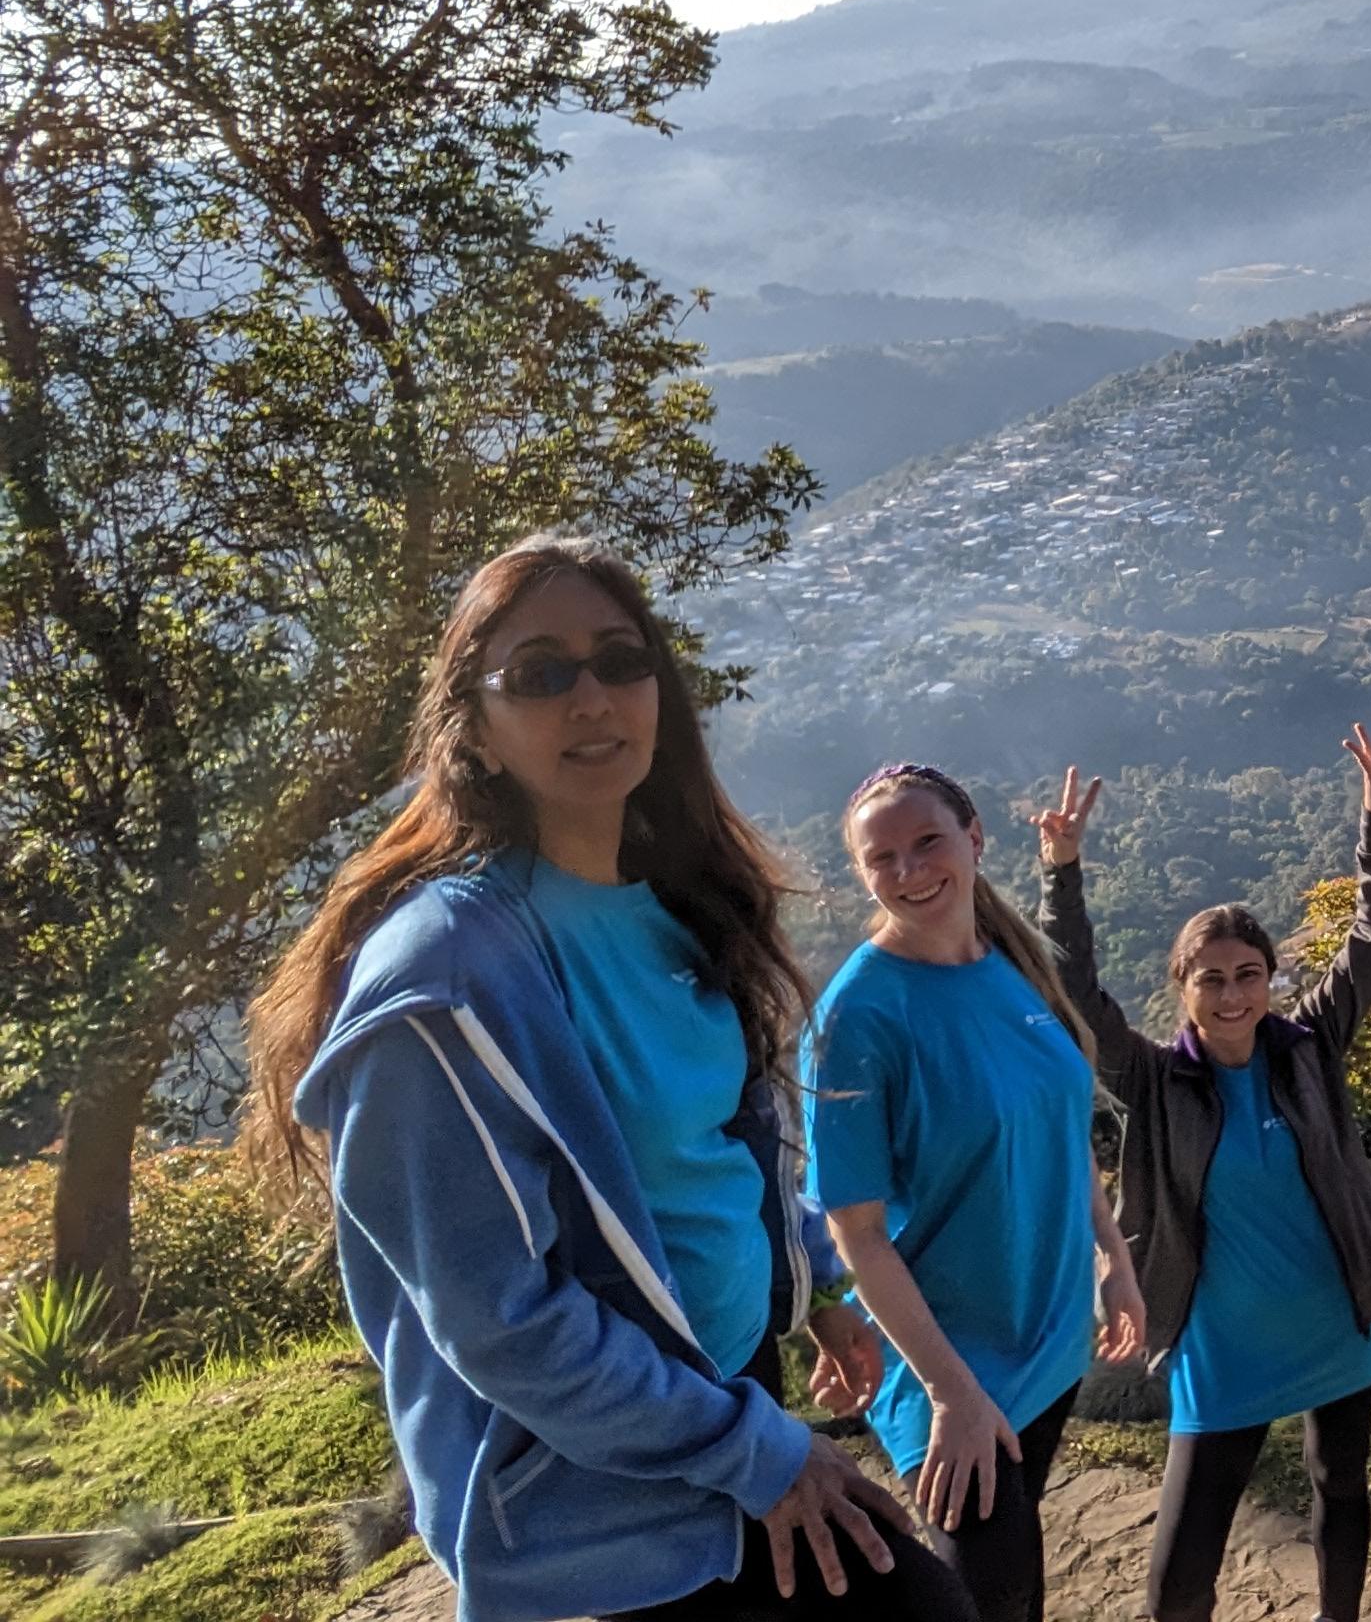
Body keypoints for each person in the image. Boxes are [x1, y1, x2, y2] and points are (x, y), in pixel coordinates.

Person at [245, 532, 973, 1622]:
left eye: (619, 659)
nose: (591, 695)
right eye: (540, 673)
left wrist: (812, 1281)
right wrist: (754, 1454)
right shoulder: (442, 983)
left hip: (722, 1406)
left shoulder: (678, 902)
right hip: (594, 1496)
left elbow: (724, 1144)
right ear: (474, 731)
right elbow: (499, 1320)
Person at [1037, 729, 1371, 1622]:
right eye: (1212, 980)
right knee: (1182, 1574)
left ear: (1273, 980)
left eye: (1249, 975)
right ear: (1183, 990)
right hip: (1223, 1350)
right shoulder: (1153, 1079)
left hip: (1340, 1320)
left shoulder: (1310, 1046)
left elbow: (1369, 939)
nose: (1234, 994)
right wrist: (1062, 873)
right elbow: (1075, 993)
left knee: (1343, 1490)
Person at [806, 762, 1149, 1622]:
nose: (910, 871)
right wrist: (951, 1393)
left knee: (1020, 1594)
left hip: (1049, 1339)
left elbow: (1061, 1132)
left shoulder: (1016, 966)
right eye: (882, 858)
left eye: (928, 842)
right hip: (950, 1372)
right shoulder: (858, 1017)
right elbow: (856, 1233)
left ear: (975, 840)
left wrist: (1112, 1258)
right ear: (861, 874)